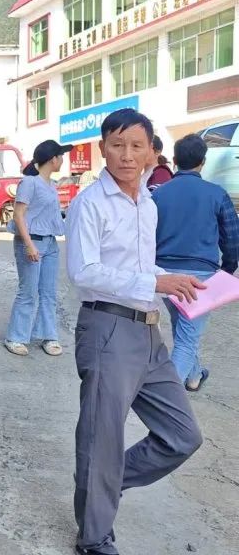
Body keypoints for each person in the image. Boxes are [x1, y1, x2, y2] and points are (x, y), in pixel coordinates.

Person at [65, 108, 205, 555]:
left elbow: (140, 267)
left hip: (148, 332)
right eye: (117, 145)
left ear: (150, 153)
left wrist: (174, 282)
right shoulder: (91, 203)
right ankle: (94, 536)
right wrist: (154, 283)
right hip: (107, 327)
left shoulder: (148, 202)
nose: (126, 155)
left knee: (182, 435)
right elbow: (83, 271)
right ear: (102, 149)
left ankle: (100, 483)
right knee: (102, 437)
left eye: (136, 146)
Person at [153, 133, 239, 392]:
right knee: (187, 338)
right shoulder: (217, 194)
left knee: (183, 328)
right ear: (203, 161)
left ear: (175, 160)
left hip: (163, 275)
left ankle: (194, 376)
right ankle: (167, 397)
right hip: (200, 275)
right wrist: (228, 269)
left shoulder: (157, 195)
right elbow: (232, 237)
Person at [3, 139, 71, 358]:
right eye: (61, 156)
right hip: (31, 241)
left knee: (48, 293)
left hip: (50, 242)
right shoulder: (29, 183)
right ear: (53, 159)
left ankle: (48, 335)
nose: (62, 160)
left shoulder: (51, 184)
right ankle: (15, 337)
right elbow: (19, 215)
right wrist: (30, 245)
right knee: (28, 292)